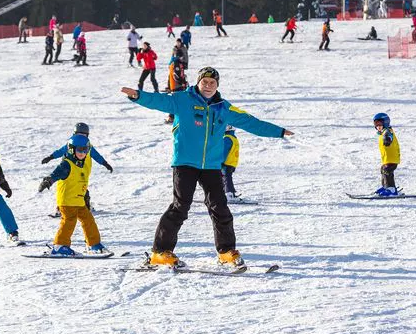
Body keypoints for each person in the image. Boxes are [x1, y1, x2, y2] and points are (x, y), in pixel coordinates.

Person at [119, 67, 294, 268]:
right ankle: (159, 252)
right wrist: (137, 95)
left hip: (211, 165)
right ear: (198, 82)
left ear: (217, 85)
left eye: (212, 83)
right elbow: (159, 101)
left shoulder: (223, 107)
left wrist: (279, 132)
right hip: (185, 163)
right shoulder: (183, 99)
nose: (208, 86)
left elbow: (250, 122)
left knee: (219, 207)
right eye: (205, 82)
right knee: (180, 207)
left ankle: (226, 252)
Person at [38, 134, 113, 256]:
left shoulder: (83, 163)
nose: (82, 153)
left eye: (85, 150)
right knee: (69, 221)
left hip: (79, 201)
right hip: (67, 200)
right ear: (72, 149)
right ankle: (59, 246)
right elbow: (56, 174)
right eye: (79, 150)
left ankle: (93, 244)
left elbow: (95, 156)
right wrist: (48, 181)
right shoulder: (67, 164)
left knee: (88, 220)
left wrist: (104, 163)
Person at [372, 113, 400, 197]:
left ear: (386, 123)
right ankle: (386, 187)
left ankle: (391, 189)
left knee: (387, 171)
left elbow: (389, 137)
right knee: (384, 170)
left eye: (380, 124)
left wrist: (387, 140)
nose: (378, 127)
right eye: (376, 125)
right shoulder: (382, 132)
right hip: (387, 159)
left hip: (392, 158)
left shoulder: (387, 131)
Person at [164, 39, 189, 124]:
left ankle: (174, 117)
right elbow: (176, 75)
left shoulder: (175, 63)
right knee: (177, 101)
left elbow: (173, 75)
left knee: (178, 101)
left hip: (175, 85)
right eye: (181, 56)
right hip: (177, 86)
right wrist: (183, 82)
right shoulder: (176, 63)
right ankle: (172, 117)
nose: (183, 58)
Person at [221, 125, 240, 201]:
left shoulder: (227, 138)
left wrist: (220, 161)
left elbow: (224, 152)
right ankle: (226, 193)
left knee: (226, 178)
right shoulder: (234, 138)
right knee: (226, 177)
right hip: (232, 162)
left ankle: (229, 194)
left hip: (226, 162)